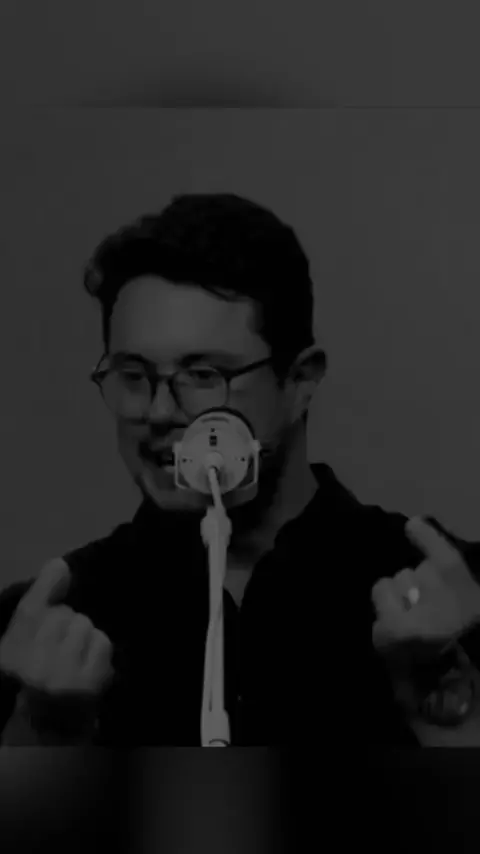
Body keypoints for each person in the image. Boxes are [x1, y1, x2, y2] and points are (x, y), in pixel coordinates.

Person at [1, 192, 480, 747]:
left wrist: (441, 695)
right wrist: (41, 730)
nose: (158, 412)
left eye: (203, 375)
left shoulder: (452, 597)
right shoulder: (41, 629)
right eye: (133, 375)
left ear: (299, 382)